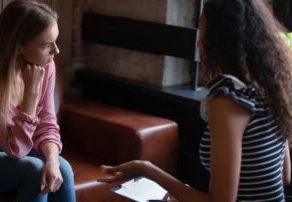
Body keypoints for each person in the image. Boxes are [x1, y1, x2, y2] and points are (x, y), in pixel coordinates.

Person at [98, 0, 292, 201]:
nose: (198, 42)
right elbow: (284, 177)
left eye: (203, 31)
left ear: (221, 39)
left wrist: (146, 169)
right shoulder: (271, 88)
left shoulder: (228, 98)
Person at [0, 1, 76, 202]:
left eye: (55, 42)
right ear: (19, 47)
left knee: (63, 167)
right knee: (34, 170)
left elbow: (47, 126)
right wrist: (31, 94)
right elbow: (16, 148)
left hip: (16, 153)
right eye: (47, 45)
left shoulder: (45, 65)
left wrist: (53, 160)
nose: (56, 51)